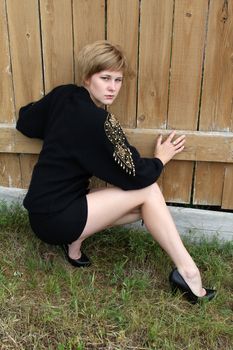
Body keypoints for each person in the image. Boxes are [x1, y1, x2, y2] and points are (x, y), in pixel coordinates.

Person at [16, 40, 215, 304]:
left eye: (118, 80)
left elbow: (26, 121)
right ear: (88, 78)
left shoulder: (63, 96)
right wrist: (161, 159)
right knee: (149, 193)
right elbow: (137, 176)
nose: (112, 87)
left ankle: (73, 246)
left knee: (140, 209)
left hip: (42, 211)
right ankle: (189, 273)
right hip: (57, 218)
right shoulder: (100, 122)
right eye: (105, 78)